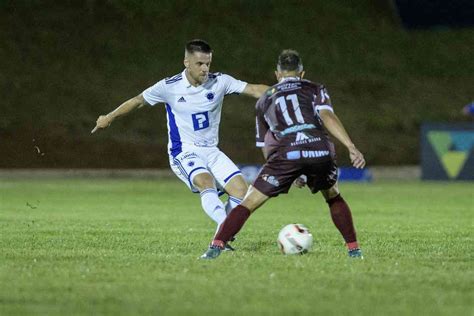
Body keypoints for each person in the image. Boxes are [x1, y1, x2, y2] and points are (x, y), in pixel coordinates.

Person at [92, 39, 268, 247]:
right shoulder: (169, 87)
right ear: (186, 62)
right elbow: (138, 100)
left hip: (211, 150)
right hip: (184, 151)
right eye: (199, 64)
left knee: (241, 190)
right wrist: (109, 117)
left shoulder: (220, 82)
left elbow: (255, 89)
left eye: (208, 64)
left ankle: (222, 234)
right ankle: (224, 230)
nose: (205, 69)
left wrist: (288, 92)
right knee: (205, 182)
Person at [200, 49, 366, 259]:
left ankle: (215, 247)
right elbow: (327, 116)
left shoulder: (264, 100)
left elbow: (266, 145)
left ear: (277, 74)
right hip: (320, 149)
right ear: (302, 73)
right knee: (333, 195)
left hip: (287, 153)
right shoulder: (315, 88)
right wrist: (350, 146)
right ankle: (354, 250)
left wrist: (287, 171)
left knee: (248, 203)